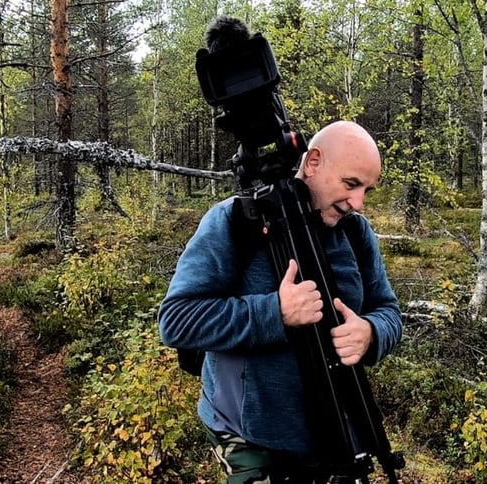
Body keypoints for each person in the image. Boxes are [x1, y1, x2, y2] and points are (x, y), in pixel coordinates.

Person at [158, 120, 403, 483]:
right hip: (251, 437)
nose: (358, 202)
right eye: (351, 184)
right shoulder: (235, 222)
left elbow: (388, 311)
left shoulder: (355, 231)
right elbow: (177, 320)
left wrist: (370, 332)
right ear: (314, 162)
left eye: (367, 189)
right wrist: (276, 312)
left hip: (338, 428)